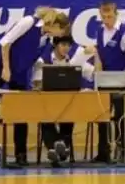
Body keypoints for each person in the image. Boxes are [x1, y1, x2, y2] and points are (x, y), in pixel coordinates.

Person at [0, 8, 70, 166]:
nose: (61, 34)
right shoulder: (29, 22)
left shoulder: (47, 40)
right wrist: (6, 68)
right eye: (62, 30)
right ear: (55, 25)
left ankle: (21, 155)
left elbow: (34, 62)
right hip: (1, 67)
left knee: (21, 115)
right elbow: (5, 43)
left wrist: (37, 82)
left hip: (20, 75)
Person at [86, 0, 125, 164]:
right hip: (104, 80)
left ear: (115, 14)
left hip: (120, 80)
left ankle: (123, 150)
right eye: (103, 16)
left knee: (120, 116)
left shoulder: (124, 32)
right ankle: (103, 151)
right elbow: (100, 54)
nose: (106, 20)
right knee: (102, 115)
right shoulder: (100, 31)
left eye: (109, 16)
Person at [32, 33, 95, 166]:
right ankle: (60, 148)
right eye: (63, 45)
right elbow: (35, 82)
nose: (66, 48)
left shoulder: (74, 61)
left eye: (68, 45)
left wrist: (96, 55)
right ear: (55, 45)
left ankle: (55, 149)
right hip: (47, 104)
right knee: (46, 121)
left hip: (67, 105)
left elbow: (93, 74)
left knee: (68, 118)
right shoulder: (43, 61)